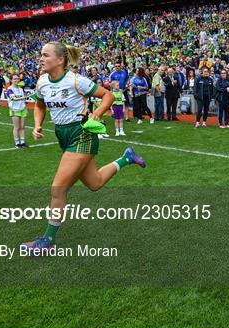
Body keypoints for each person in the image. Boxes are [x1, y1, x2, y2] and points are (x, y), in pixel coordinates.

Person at [22, 41, 145, 252]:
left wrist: (97, 113)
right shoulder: (42, 81)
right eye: (40, 55)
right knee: (95, 183)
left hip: (82, 134)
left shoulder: (76, 81)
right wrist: (38, 125)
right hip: (63, 135)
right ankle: (126, 157)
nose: (41, 58)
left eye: (45, 55)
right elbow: (39, 105)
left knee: (57, 188)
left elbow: (107, 95)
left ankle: (48, 241)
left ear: (60, 60)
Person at [7, 74, 28, 148]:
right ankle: (17, 143)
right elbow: (13, 98)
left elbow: (23, 100)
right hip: (14, 110)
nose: (17, 80)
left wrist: (25, 106)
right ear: (11, 80)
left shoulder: (20, 89)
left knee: (22, 126)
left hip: (22, 109)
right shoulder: (10, 89)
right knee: (17, 127)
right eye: (15, 79)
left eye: (18, 79)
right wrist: (23, 97)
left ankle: (22, 142)